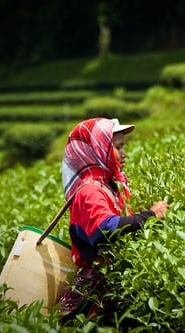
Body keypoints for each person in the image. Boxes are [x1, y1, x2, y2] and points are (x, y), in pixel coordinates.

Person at [57, 117, 169, 322]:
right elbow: (105, 228)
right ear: (98, 149)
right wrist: (150, 215)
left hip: (107, 287)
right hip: (93, 298)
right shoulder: (90, 190)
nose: (124, 154)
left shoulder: (106, 185)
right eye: (118, 147)